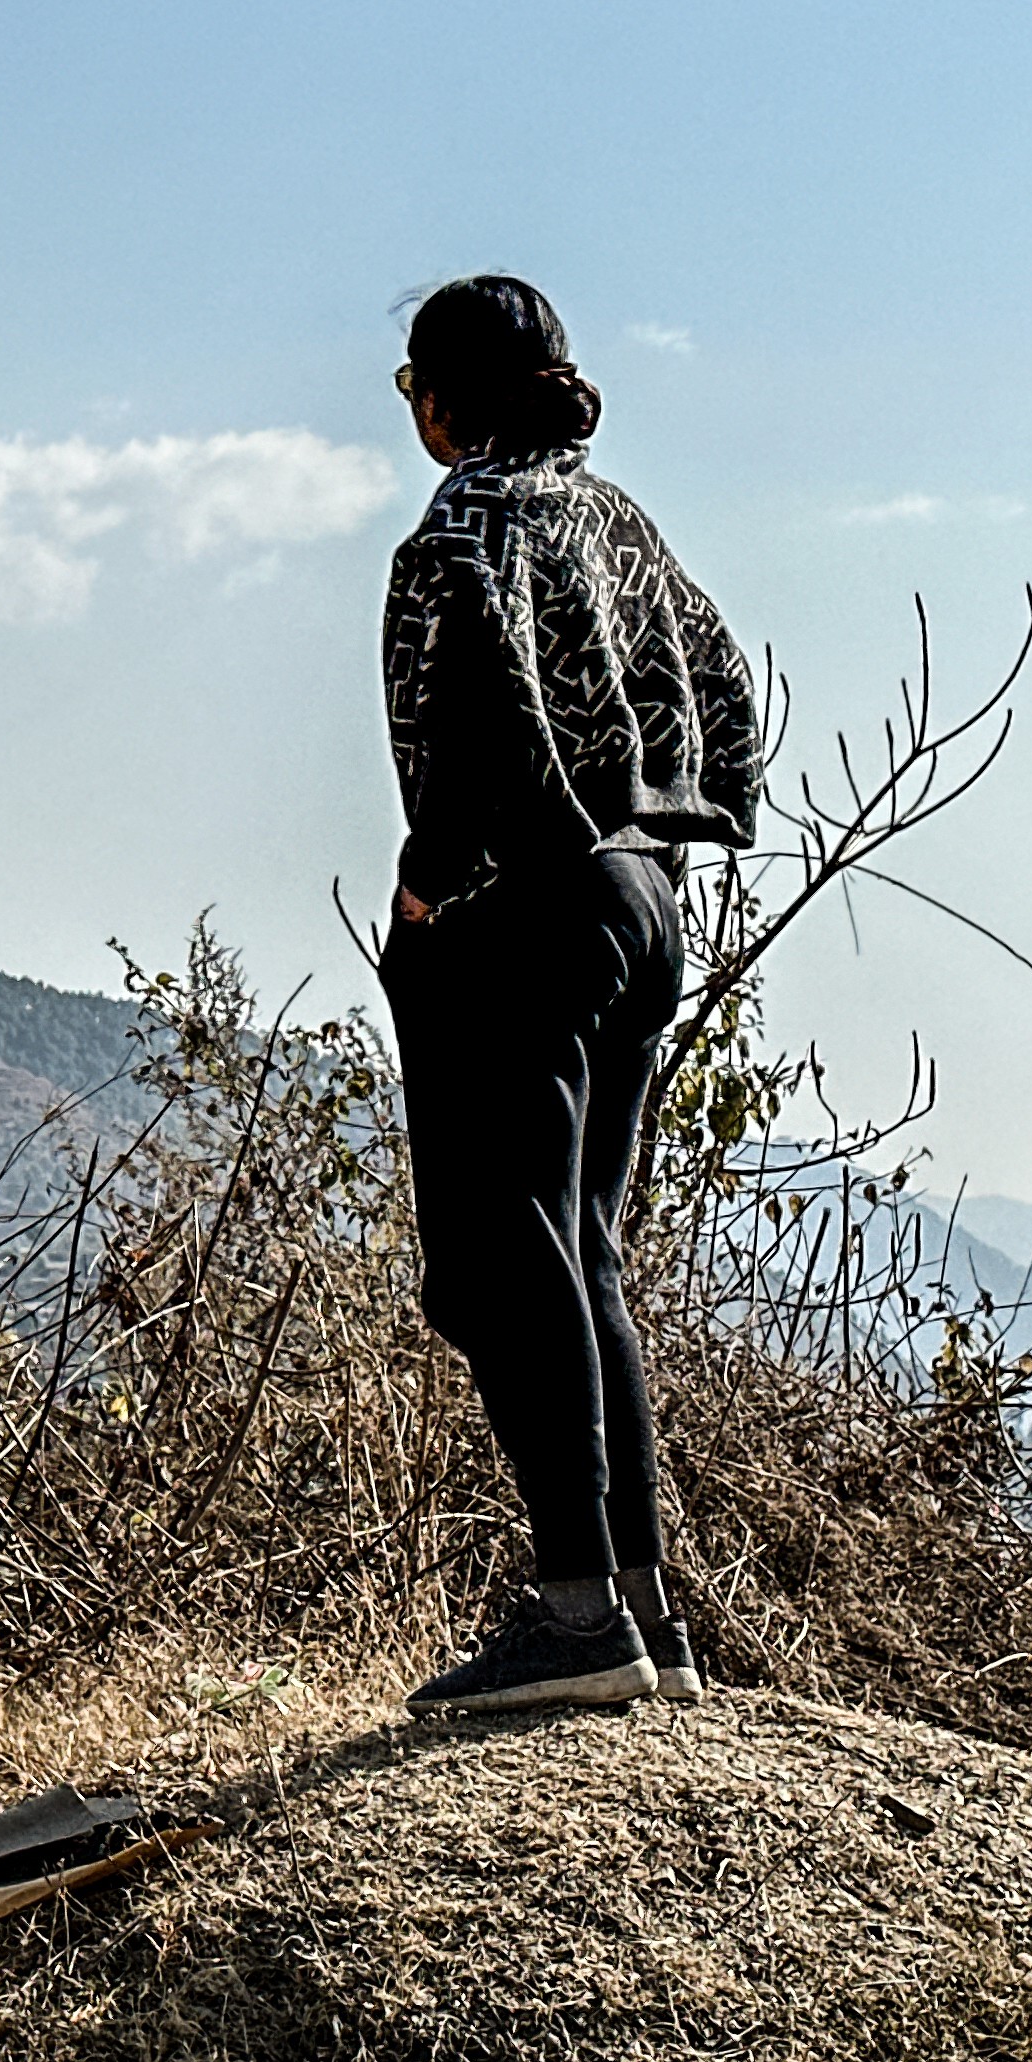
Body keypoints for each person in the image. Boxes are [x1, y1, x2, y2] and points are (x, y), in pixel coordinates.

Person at [375, 272, 758, 1715]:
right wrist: (652, 831)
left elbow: (464, 723)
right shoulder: (619, 522)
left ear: (444, 398)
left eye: (412, 386)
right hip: (642, 906)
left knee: (499, 1265)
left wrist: (429, 881)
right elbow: (724, 699)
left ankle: (580, 1622)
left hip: (518, 912)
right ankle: (639, 1614)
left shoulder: (463, 529)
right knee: (580, 1256)